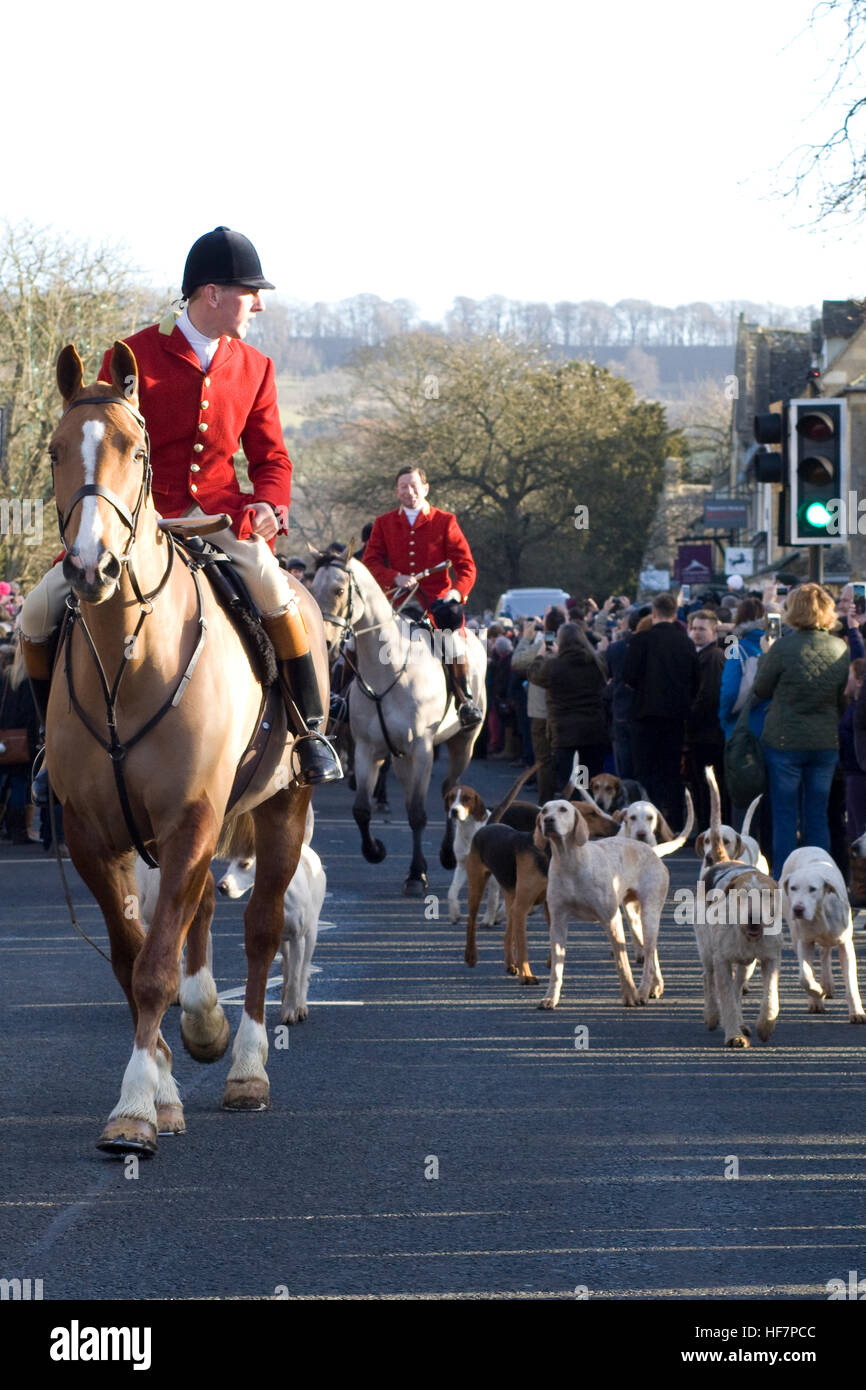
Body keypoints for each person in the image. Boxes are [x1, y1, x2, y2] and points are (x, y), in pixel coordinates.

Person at [19, 226, 341, 790]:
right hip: (137, 523)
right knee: (37, 614)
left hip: (218, 518)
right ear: (211, 294)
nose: (260, 303)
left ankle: (309, 732)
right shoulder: (135, 354)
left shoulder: (257, 367)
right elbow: (102, 442)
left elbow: (273, 459)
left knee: (276, 591)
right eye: (250, 291)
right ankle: (53, 744)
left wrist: (271, 504)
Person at [363, 466, 482, 725]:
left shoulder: (445, 521)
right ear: (397, 492)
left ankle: (465, 700)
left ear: (425, 488)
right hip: (397, 602)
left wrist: (455, 593)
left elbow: (466, 566)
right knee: (357, 640)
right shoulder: (383, 524)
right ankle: (342, 699)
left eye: (414, 485)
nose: (410, 491)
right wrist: (394, 577)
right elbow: (369, 562)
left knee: (451, 641)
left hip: (437, 603)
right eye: (404, 486)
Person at [752, 583, 849, 879]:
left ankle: (784, 876)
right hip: (824, 742)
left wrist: (765, 656)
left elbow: (761, 689)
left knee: (784, 815)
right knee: (817, 815)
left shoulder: (782, 648)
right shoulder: (840, 648)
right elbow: (843, 698)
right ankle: (821, 877)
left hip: (784, 741)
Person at [623, 591, 700, 825]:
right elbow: (695, 679)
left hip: (644, 714)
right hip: (675, 716)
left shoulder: (641, 640)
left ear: (654, 613)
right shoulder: (685, 642)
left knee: (646, 771)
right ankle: (675, 821)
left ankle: (648, 819)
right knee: (672, 772)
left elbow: (628, 677)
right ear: (675, 614)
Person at [528, 621, 609, 792]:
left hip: (565, 733)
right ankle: (589, 814)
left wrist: (541, 655)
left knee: (569, 783)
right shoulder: (597, 662)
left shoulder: (553, 667)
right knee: (589, 781)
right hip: (592, 730)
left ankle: (573, 811)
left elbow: (534, 676)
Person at [511, 606, 566, 802]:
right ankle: (578, 798)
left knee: (544, 759)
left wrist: (526, 638)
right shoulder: (578, 648)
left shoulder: (543, 647)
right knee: (577, 761)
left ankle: (546, 802)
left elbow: (517, 661)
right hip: (570, 713)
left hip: (543, 712)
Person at [684, 609, 727, 830]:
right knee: (701, 784)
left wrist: (689, 718)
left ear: (713, 631)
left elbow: (709, 695)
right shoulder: (701, 655)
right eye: (693, 628)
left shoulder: (713, 656)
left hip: (708, 733)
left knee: (708, 784)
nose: (696, 633)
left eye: (702, 628)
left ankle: (709, 828)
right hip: (702, 733)